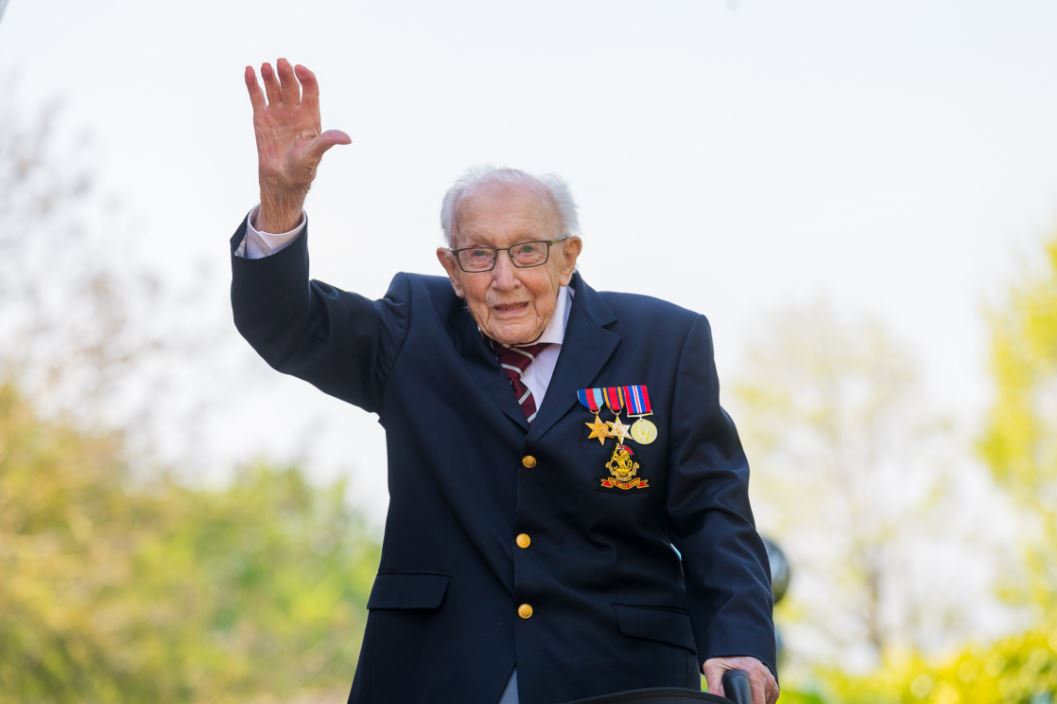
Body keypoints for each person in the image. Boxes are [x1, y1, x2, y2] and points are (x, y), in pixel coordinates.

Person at [231, 58, 780, 704]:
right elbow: (285, 325)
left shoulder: (663, 342)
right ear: (450, 266)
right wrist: (281, 203)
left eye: (527, 250)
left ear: (568, 255)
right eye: (479, 254)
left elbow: (713, 513)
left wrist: (738, 640)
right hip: (434, 675)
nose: (504, 277)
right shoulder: (413, 328)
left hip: (618, 676)